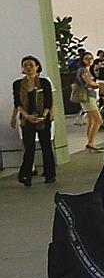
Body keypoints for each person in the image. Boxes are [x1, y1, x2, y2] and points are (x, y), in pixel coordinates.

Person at [11, 55, 56, 186]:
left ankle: (50, 174)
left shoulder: (44, 82)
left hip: (43, 118)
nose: (28, 68)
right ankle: (26, 174)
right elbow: (17, 103)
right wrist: (26, 116)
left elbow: (49, 101)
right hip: (26, 119)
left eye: (31, 65)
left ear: (37, 67)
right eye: (25, 65)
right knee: (29, 148)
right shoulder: (18, 84)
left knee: (46, 146)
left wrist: (44, 115)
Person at [76, 52, 104, 151]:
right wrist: (100, 85)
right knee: (98, 120)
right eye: (87, 58)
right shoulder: (83, 70)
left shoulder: (87, 70)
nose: (89, 60)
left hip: (89, 96)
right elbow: (89, 82)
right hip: (88, 97)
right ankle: (91, 143)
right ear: (82, 60)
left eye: (91, 58)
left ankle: (90, 142)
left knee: (91, 120)